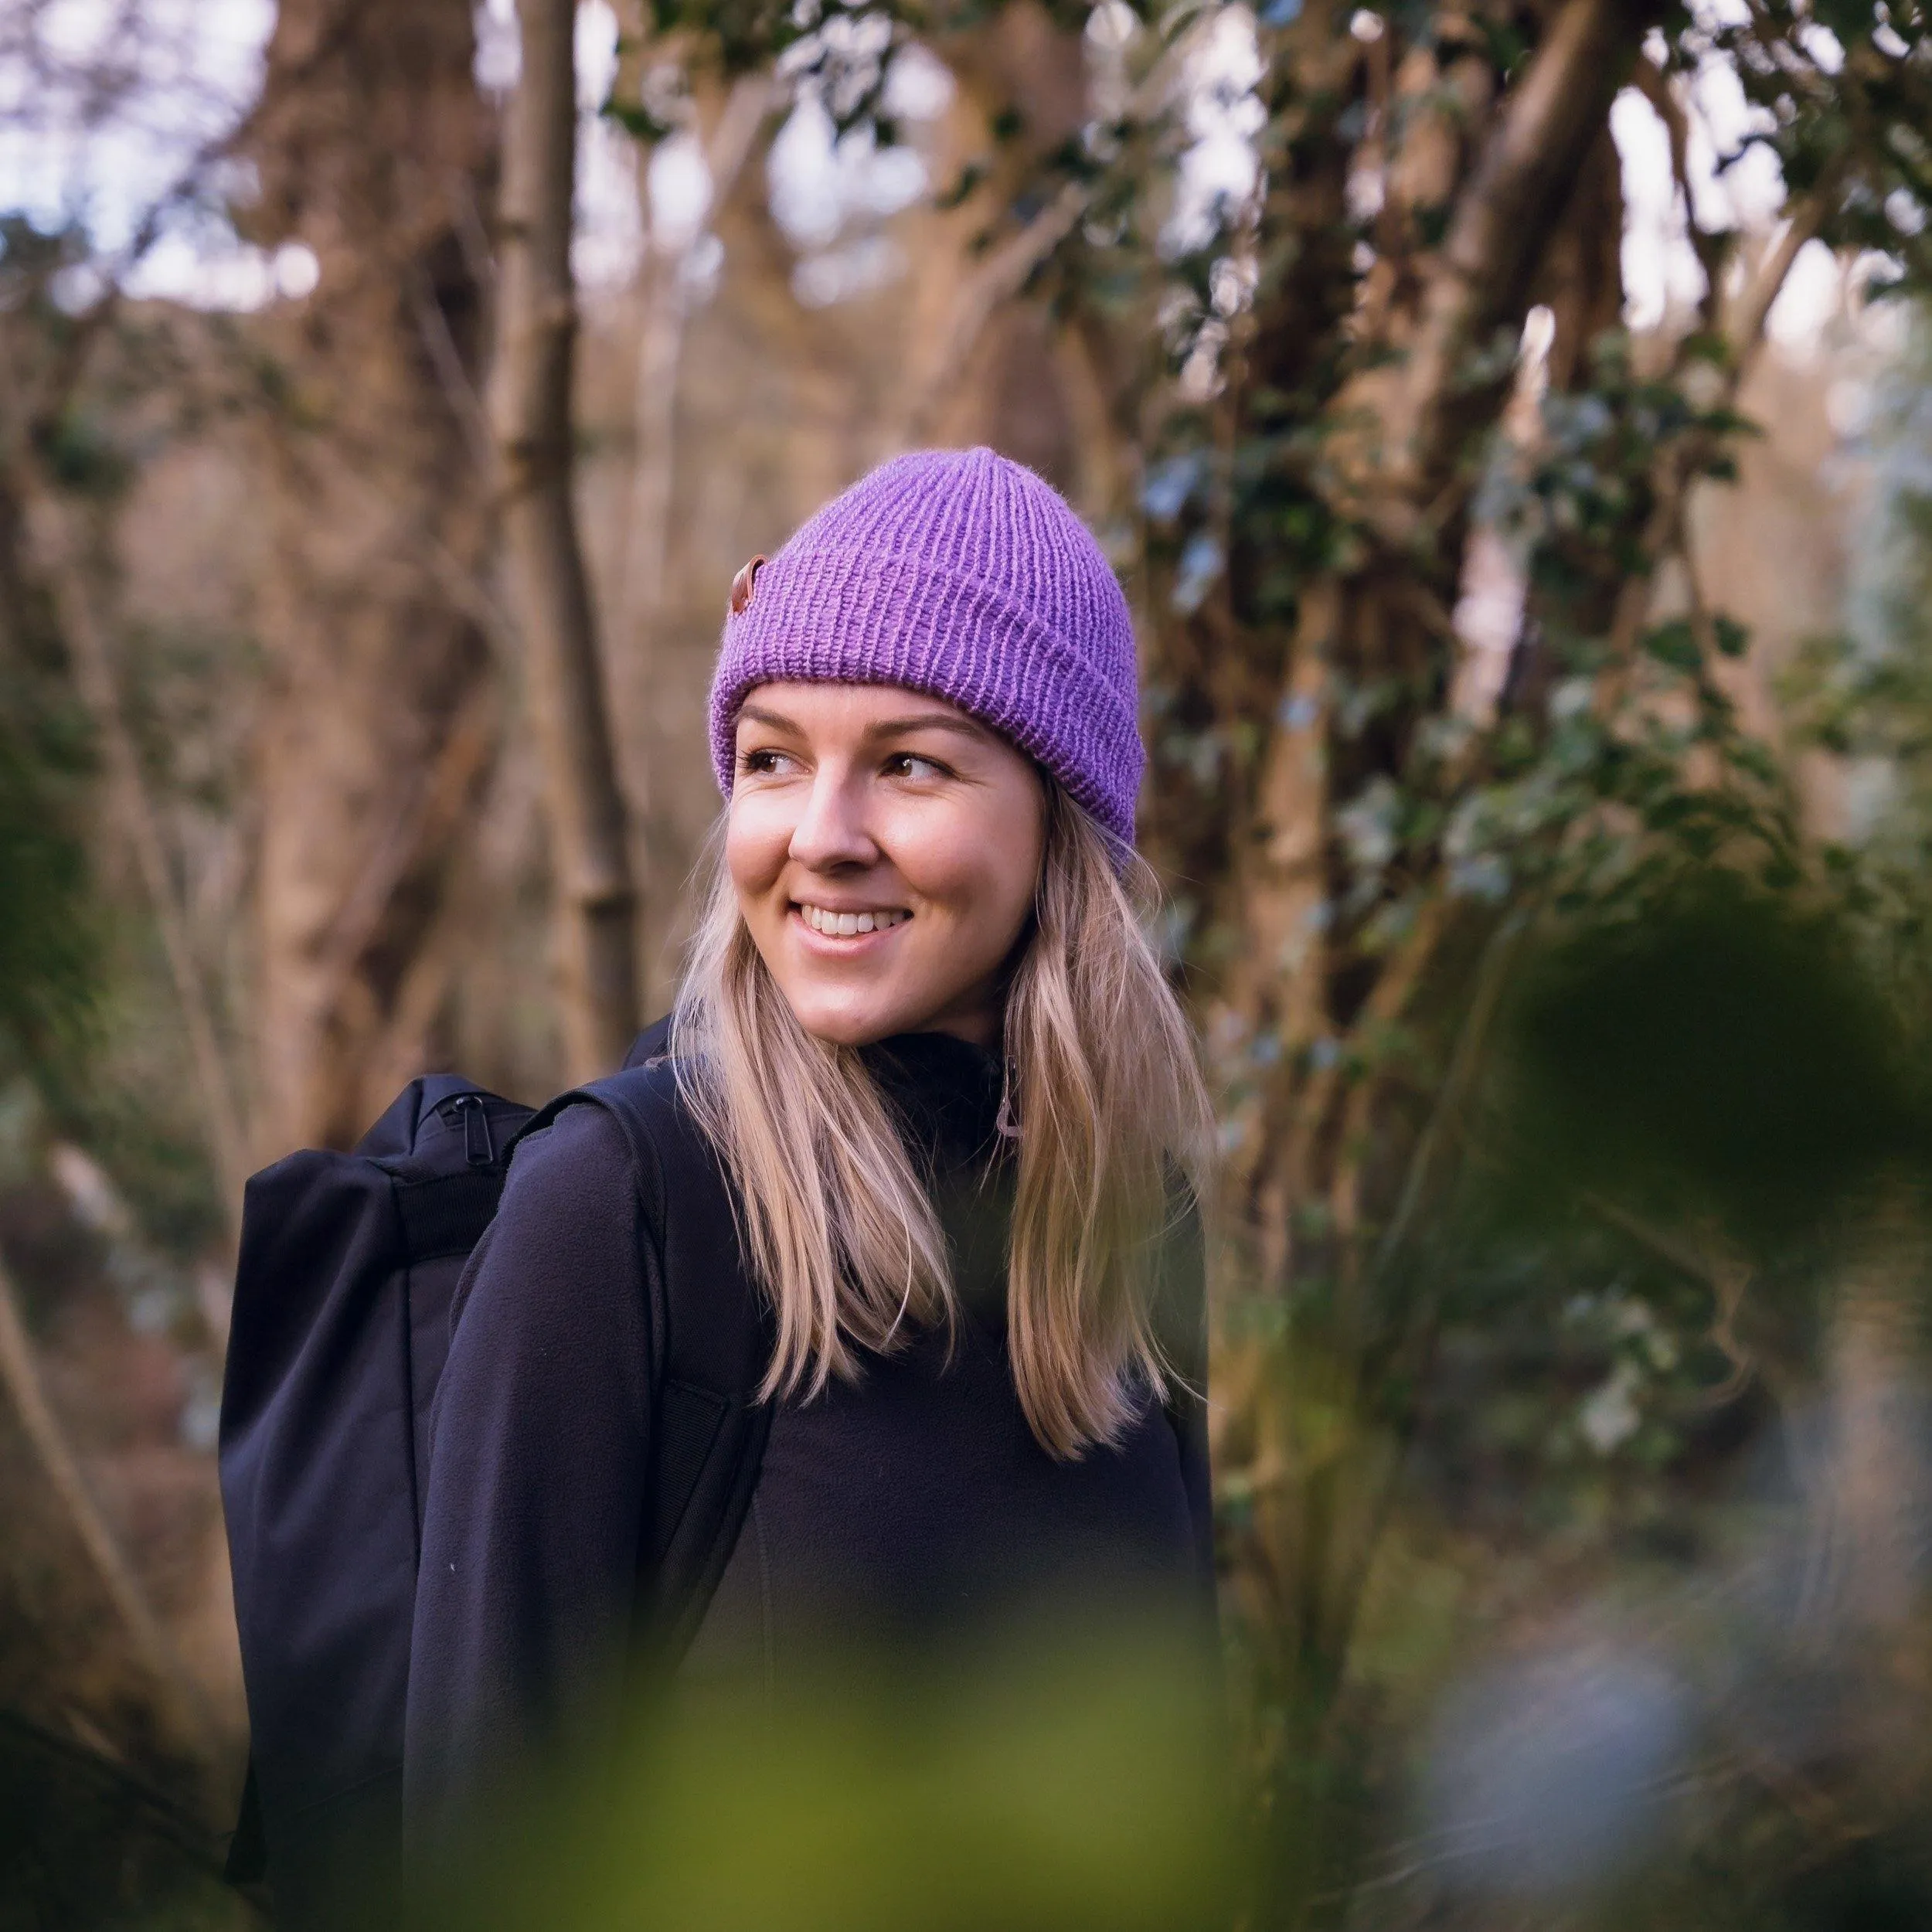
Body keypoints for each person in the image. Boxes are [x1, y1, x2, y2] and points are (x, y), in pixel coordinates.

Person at [402, 447, 1220, 1873]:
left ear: (1057, 822)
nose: (822, 838)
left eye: (908, 764)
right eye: (775, 760)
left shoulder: (1136, 1219)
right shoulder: (629, 1205)